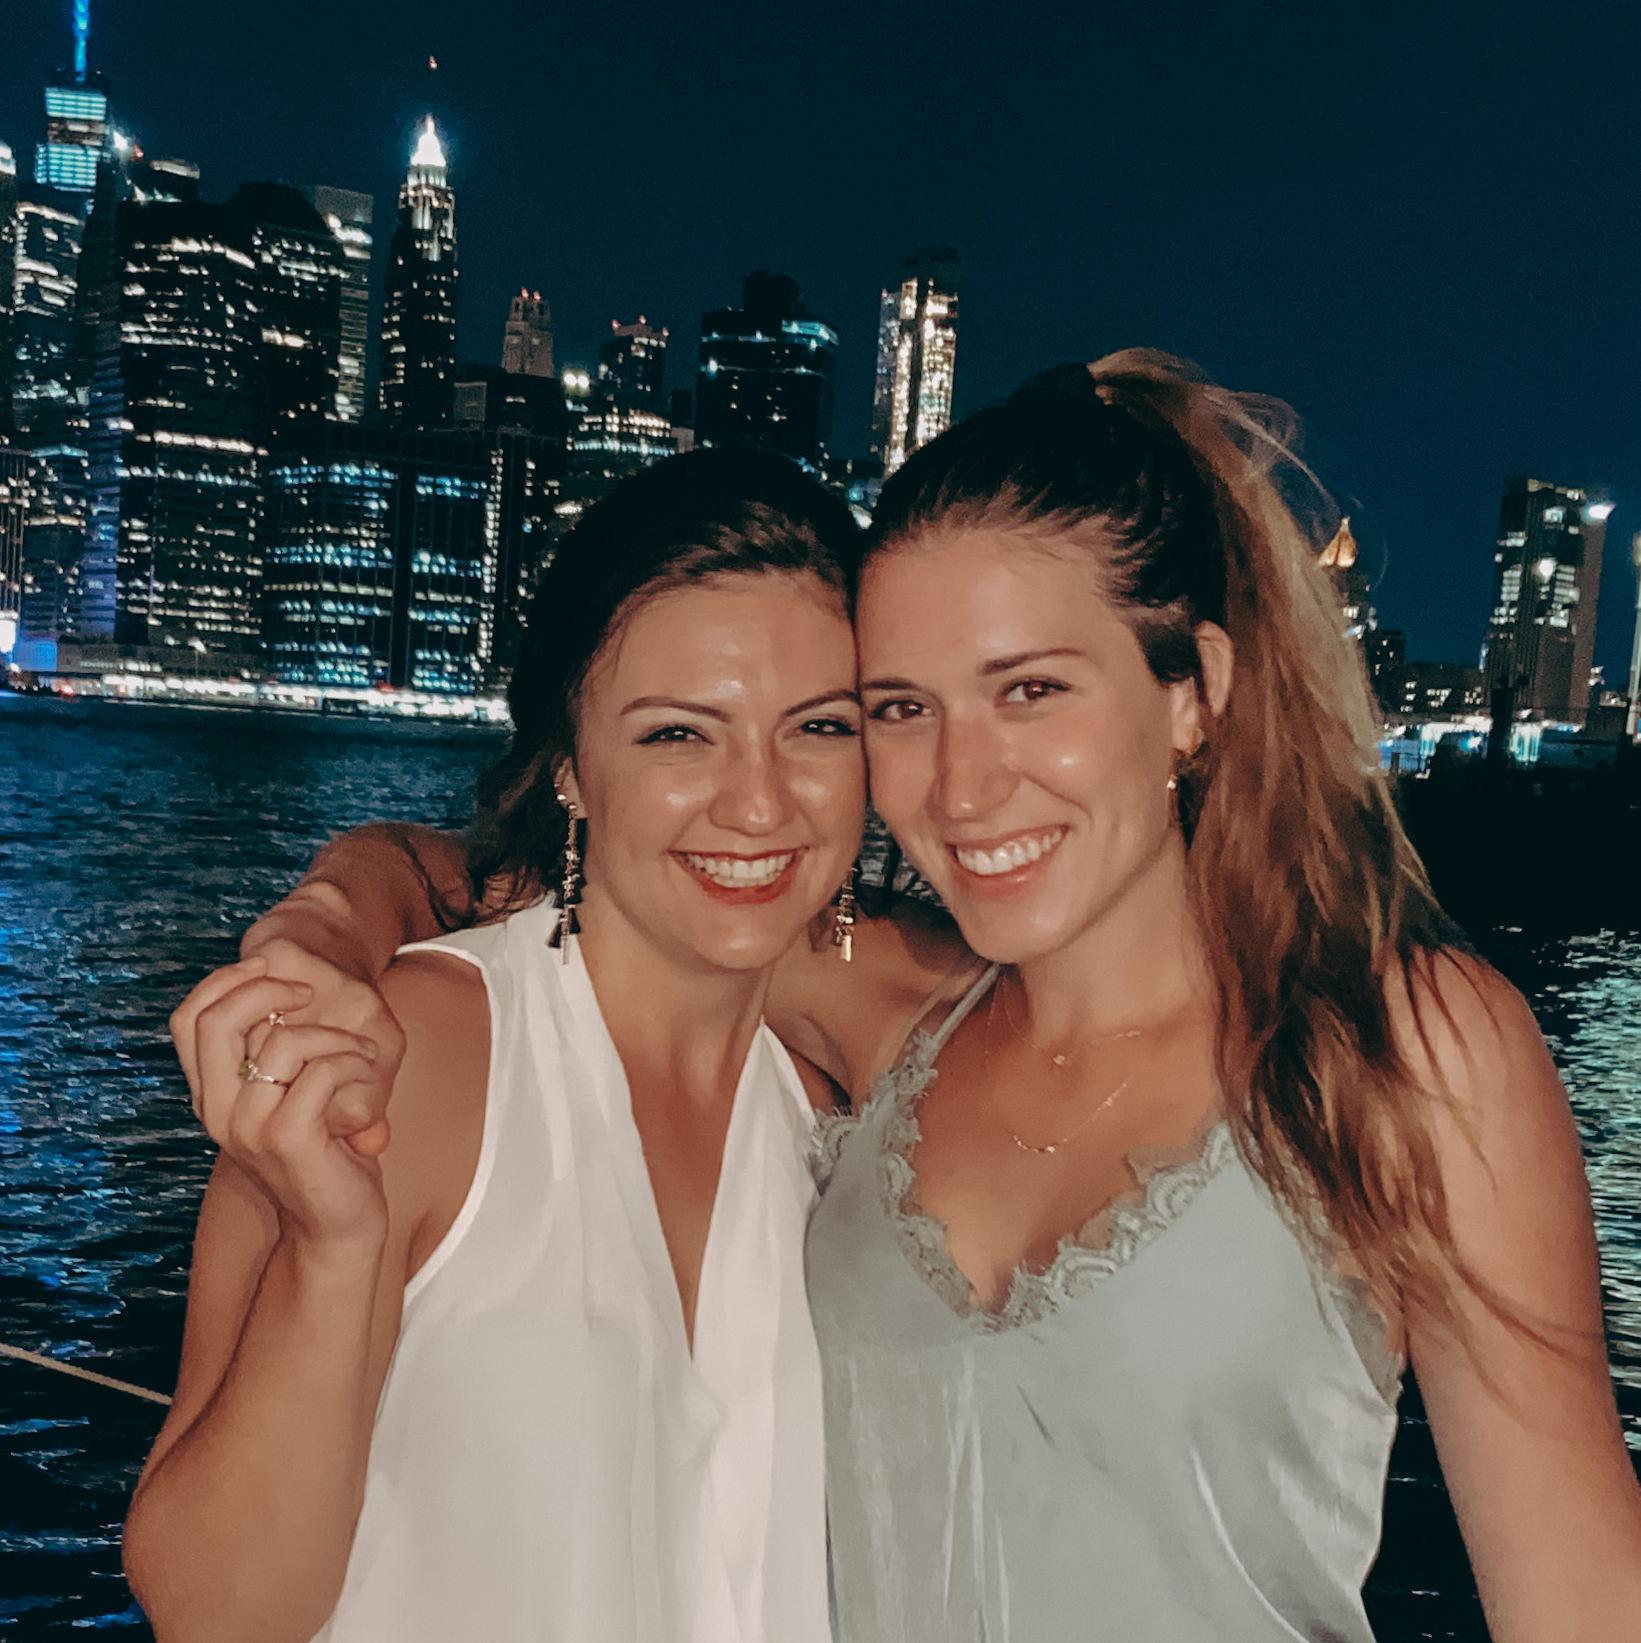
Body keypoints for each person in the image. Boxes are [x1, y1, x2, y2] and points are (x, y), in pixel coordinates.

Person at [183, 355, 1641, 1641]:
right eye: (899, 708)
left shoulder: (1401, 1050)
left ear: (1193, 692)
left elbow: (1587, 1605)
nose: (960, 782)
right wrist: (327, 919)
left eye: (1031, 690)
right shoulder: (892, 1008)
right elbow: (540, 873)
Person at [123, 449, 875, 1643]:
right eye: (679, 734)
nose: (758, 801)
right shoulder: (418, 1053)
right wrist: (332, 1246)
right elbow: (214, 1608)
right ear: (571, 767)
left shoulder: (838, 1114)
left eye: (819, 727)